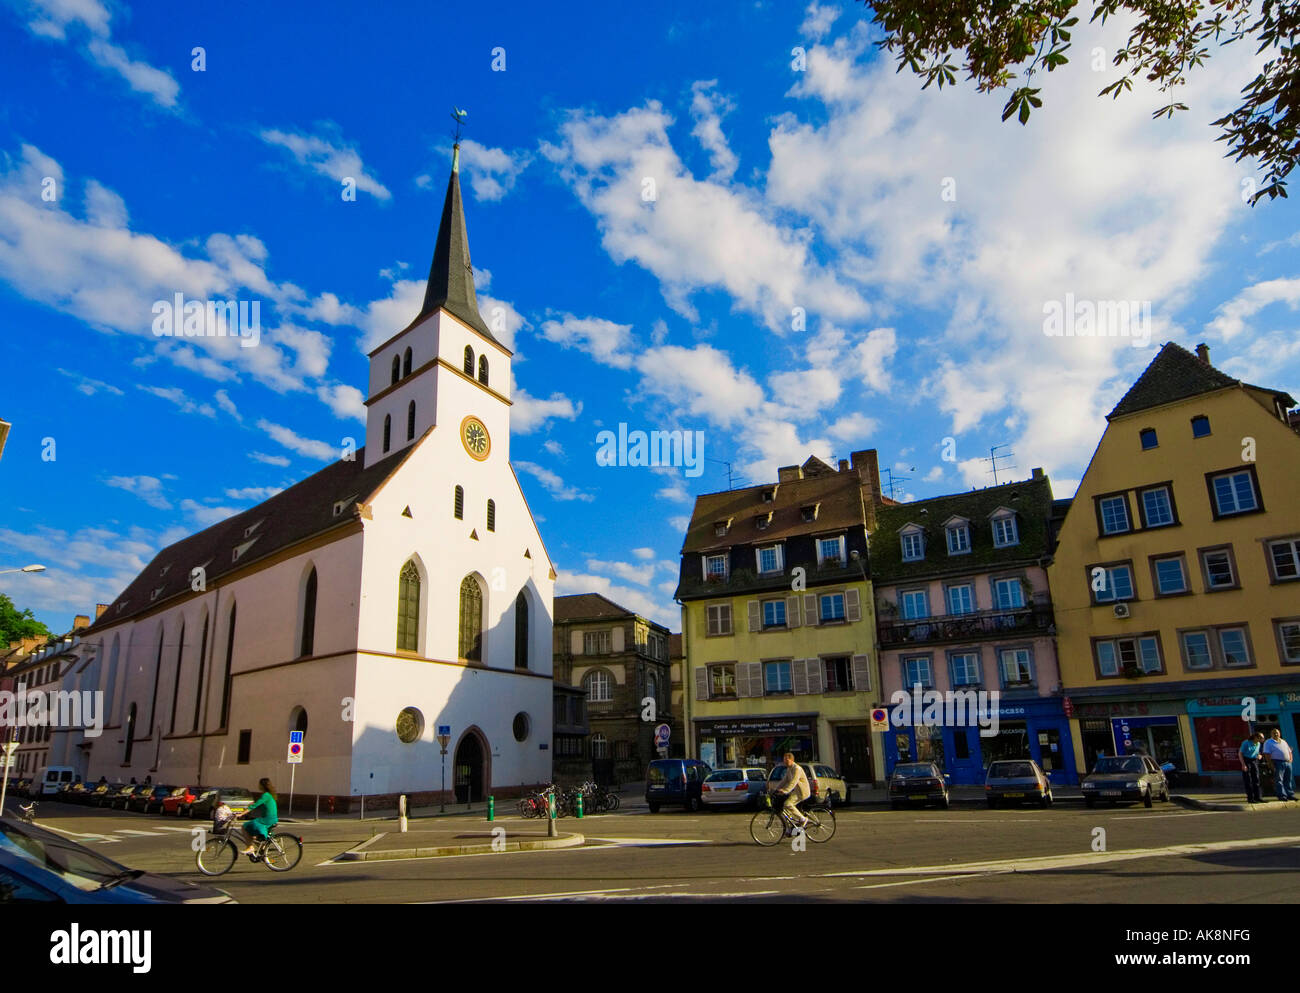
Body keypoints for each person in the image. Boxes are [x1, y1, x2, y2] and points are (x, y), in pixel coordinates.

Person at [232, 778, 279, 857]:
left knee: (244, 827)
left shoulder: (265, 795)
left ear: (262, 786)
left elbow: (254, 806)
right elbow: (257, 804)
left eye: (259, 784)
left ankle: (250, 847)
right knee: (253, 835)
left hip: (267, 819)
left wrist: (241, 814)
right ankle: (263, 851)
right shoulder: (269, 795)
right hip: (271, 819)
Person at [768, 753, 810, 833]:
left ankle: (803, 819)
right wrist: (775, 789)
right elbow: (784, 781)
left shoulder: (797, 769)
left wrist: (786, 790)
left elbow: (794, 782)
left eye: (787, 760)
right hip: (795, 792)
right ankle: (790, 828)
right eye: (784, 760)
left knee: (787, 804)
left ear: (792, 760)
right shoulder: (789, 769)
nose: (785, 762)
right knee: (783, 807)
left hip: (801, 792)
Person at [1262, 729, 1295, 802]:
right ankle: (1282, 795)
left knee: (1288, 779)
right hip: (1277, 762)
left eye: (1277, 733)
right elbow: (1267, 754)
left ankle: (1290, 795)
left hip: (1287, 762)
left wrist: (1291, 759)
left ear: (1279, 733)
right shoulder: (1268, 742)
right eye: (1274, 733)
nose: (1276, 734)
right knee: (1279, 780)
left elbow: (1289, 751)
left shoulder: (1283, 741)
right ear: (1271, 734)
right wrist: (1270, 764)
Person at [1239, 731, 1265, 804]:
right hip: (1246, 761)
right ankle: (1250, 798)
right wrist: (1243, 764)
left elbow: (1257, 752)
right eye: (1261, 738)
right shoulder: (1246, 743)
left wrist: (1259, 755)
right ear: (1256, 737)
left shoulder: (1258, 744)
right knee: (1248, 780)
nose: (1263, 739)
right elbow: (1240, 753)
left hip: (1254, 761)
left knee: (1256, 779)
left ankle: (1258, 797)